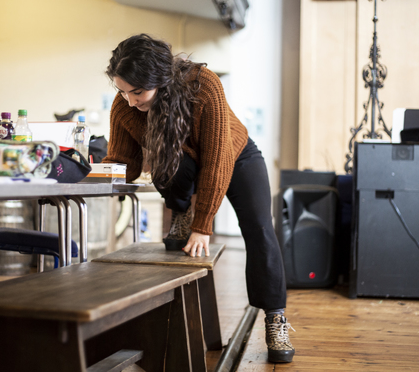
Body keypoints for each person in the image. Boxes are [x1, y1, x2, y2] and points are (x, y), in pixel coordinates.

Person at [102, 33, 295, 363]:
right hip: (187, 159)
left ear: (161, 80)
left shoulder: (203, 85)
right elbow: (126, 164)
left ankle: (275, 318)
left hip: (235, 155)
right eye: (122, 91)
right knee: (166, 158)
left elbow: (217, 161)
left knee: (260, 229)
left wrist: (203, 224)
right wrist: (90, 171)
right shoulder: (126, 107)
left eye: (137, 91)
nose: (130, 100)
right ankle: (181, 214)